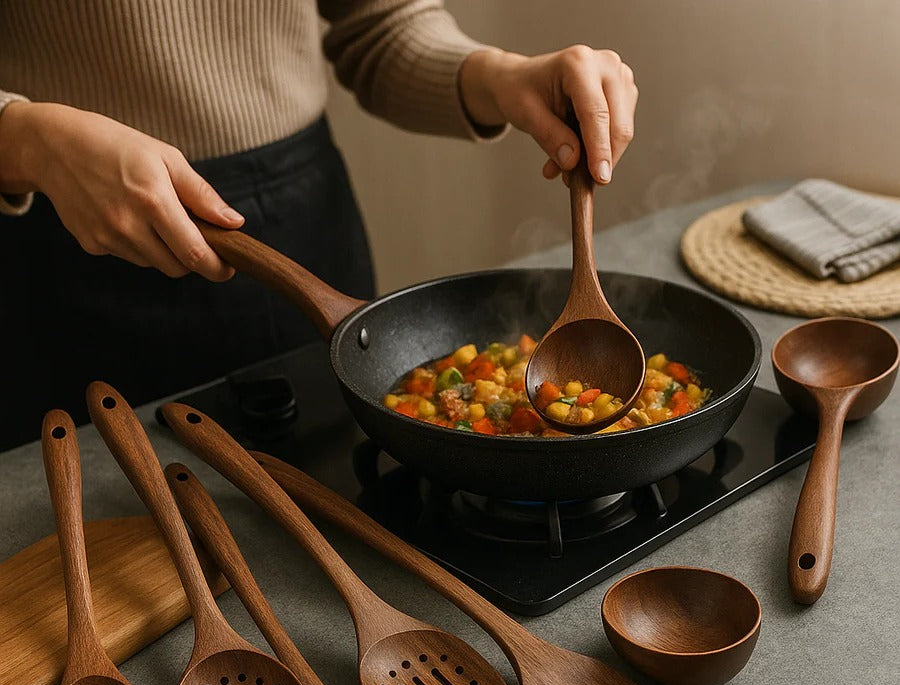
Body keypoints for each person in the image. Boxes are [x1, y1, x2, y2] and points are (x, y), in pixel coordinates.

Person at [0, 1, 637, 451]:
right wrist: (28, 140)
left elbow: (381, 22)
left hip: (298, 206)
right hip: (57, 226)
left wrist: (498, 75)